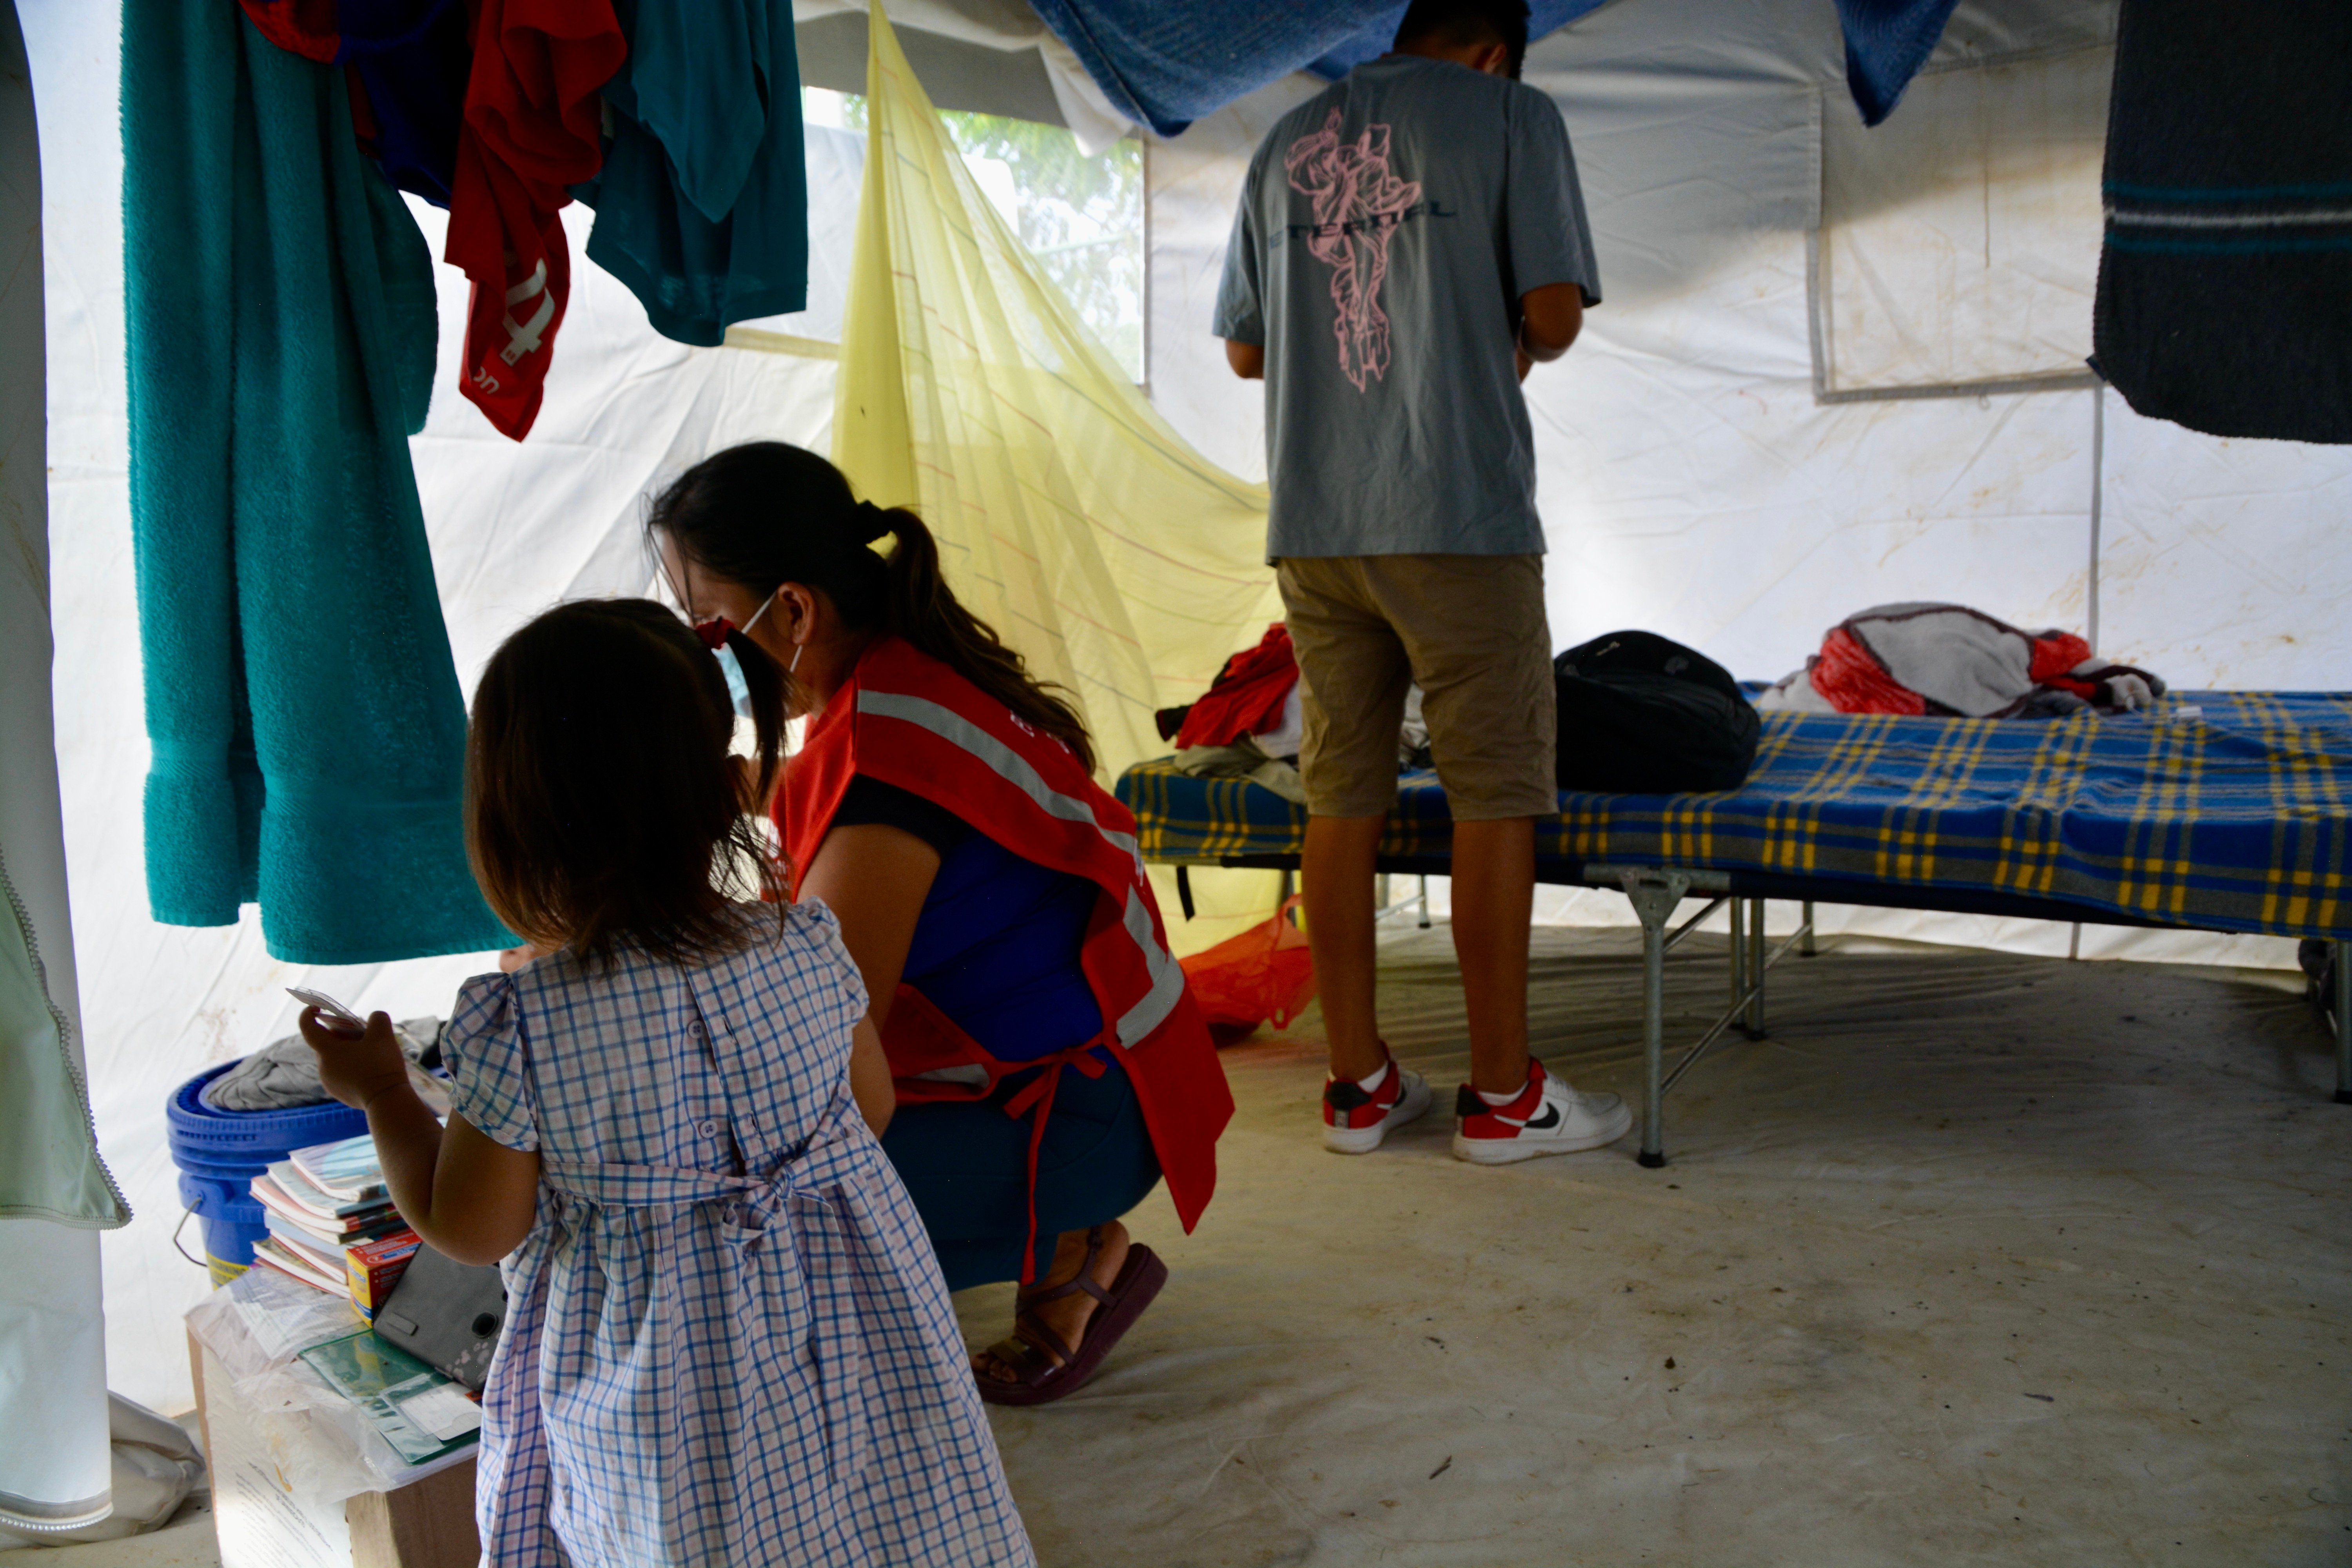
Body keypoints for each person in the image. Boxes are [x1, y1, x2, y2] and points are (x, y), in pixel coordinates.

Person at [297, 601, 1033, 1566]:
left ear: (506, 828)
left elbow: (473, 1226)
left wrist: (386, 1092)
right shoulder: (807, 940)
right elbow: (873, 1108)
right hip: (855, 1332)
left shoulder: (529, 1023)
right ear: (731, 788)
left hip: (666, 1385)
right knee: (886, 1509)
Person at [650, 441, 1233, 1406]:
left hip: (1091, 1115)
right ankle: (1045, 1231)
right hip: (1119, 1074)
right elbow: (818, 804)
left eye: (708, 628)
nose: (704, 656)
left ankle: (1065, 1241)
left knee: (742, 1197)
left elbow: (815, 1052)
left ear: (794, 609)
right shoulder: (898, 681)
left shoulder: (888, 768)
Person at [1213, 0, 1632, 1163]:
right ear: (1496, 49)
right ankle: (1503, 1096)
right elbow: (1553, 314)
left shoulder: (1282, 139)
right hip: (1456, 512)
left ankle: (1358, 1085)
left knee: (1340, 791)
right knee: (1495, 789)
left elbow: (1248, 350)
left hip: (1316, 519)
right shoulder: (1513, 116)